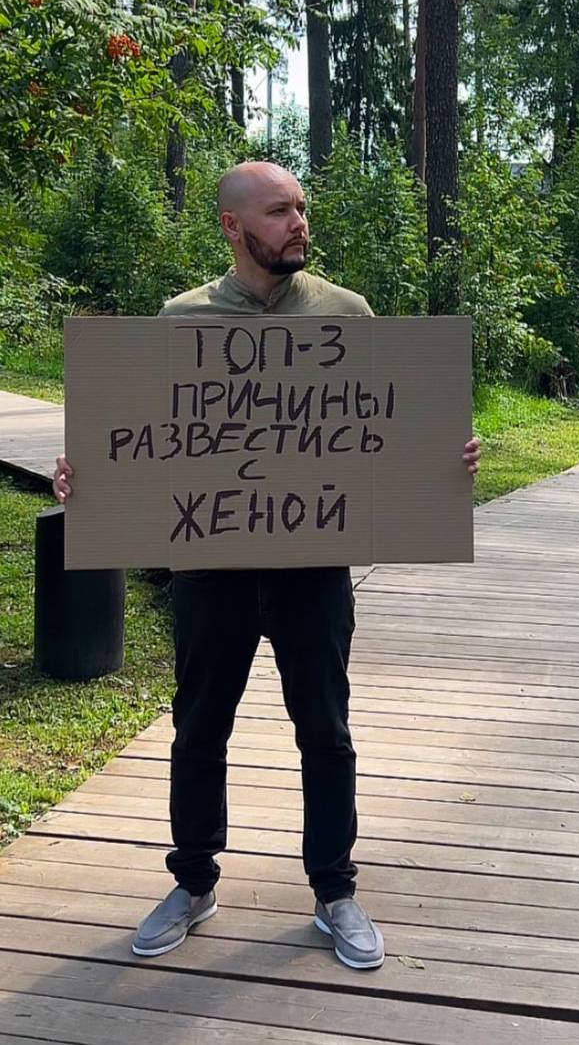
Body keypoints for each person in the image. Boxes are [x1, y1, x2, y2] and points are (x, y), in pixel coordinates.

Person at [54, 161, 481, 971]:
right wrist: (88, 478)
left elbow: (379, 429)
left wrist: (442, 457)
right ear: (231, 225)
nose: (298, 223)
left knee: (325, 731)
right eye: (279, 211)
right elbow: (144, 435)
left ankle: (334, 892)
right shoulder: (180, 319)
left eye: (300, 209)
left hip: (312, 565)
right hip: (209, 564)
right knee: (197, 730)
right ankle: (193, 883)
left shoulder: (346, 313)